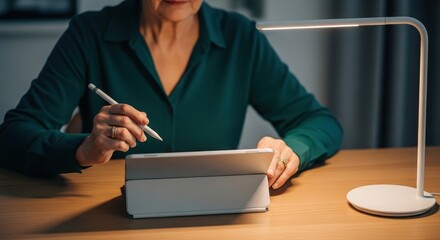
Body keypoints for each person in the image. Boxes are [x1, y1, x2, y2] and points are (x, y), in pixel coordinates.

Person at [0, 0, 343, 189]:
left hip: (214, 221)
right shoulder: (89, 34)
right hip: (110, 221)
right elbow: (13, 135)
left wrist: (292, 150)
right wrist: (83, 148)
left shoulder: (240, 37)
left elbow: (319, 121)